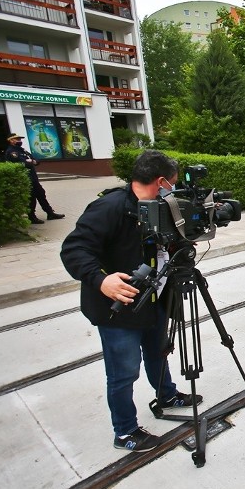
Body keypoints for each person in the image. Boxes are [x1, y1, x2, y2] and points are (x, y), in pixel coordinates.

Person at [60, 150, 202, 453]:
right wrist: (101, 280)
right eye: (172, 184)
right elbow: (73, 250)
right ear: (161, 180)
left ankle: (166, 395)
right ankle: (125, 431)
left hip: (155, 300)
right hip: (119, 310)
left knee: (158, 352)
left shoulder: (165, 206)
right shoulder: (109, 207)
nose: (173, 190)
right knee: (124, 372)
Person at [3, 133, 65, 224]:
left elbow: (36, 160)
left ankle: (50, 213)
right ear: (11, 140)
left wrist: (32, 161)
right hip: (25, 178)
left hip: (33, 178)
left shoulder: (23, 150)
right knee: (31, 198)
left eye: (20, 139)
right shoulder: (12, 152)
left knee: (41, 194)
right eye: (17, 139)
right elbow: (23, 164)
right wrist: (30, 162)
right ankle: (31, 217)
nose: (19, 141)